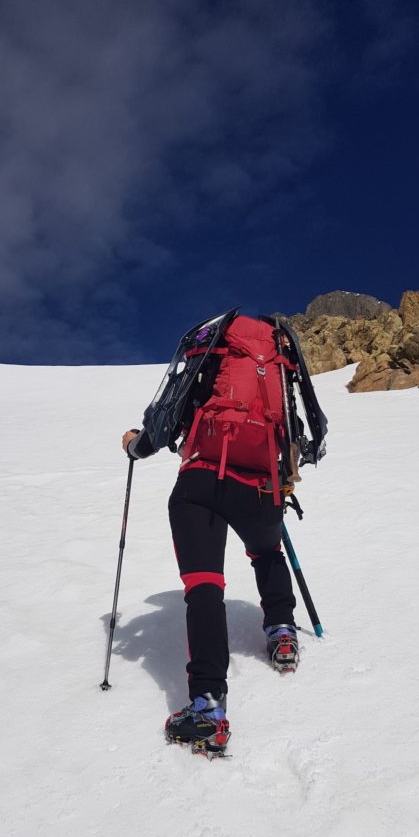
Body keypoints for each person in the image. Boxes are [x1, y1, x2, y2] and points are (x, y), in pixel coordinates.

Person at [122, 314, 300, 755]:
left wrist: (133, 444)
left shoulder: (209, 354)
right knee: (267, 553)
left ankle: (207, 709)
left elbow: (165, 421)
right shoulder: (277, 363)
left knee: (204, 587)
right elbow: (299, 428)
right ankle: (281, 631)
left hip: (200, 481)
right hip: (261, 483)